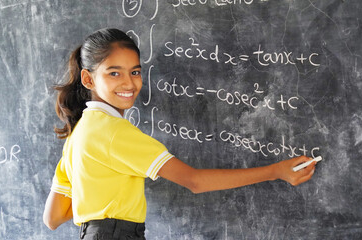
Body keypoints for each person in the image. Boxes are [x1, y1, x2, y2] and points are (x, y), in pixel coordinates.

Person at [43, 28, 316, 240]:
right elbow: (194, 181)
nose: (129, 83)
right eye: (114, 73)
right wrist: (276, 171)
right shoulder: (115, 131)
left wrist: (96, 214)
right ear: (88, 79)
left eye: (135, 72)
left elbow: (53, 217)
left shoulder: (77, 135)